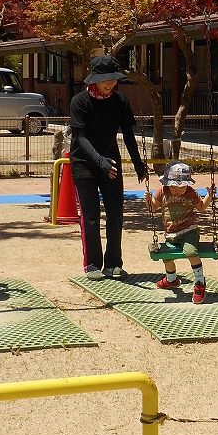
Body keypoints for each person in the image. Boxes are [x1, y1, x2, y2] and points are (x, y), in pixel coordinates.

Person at [69, 54, 149, 281]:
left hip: (111, 162)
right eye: (106, 79)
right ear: (95, 79)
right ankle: (93, 264)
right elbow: (80, 137)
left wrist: (138, 163)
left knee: (115, 213)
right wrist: (100, 162)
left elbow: (129, 134)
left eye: (114, 79)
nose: (111, 83)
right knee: (91, 216)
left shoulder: (120, 101)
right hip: (84, 162)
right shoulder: (79, 102)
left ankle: (113, 263)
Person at [145, 160, 216, 304]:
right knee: (167, 257)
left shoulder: (191, 193)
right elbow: (153, 208)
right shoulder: (162, 191)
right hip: (171, 233)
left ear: (187, 184)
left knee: (191, 252)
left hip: (189, 231)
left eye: (181, 186)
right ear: (167, 183)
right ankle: (172, 280)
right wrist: (148, 200)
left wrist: (209, 196)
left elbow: (201, 207)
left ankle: (200, 282)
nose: (177, 190)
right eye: (174, 186)